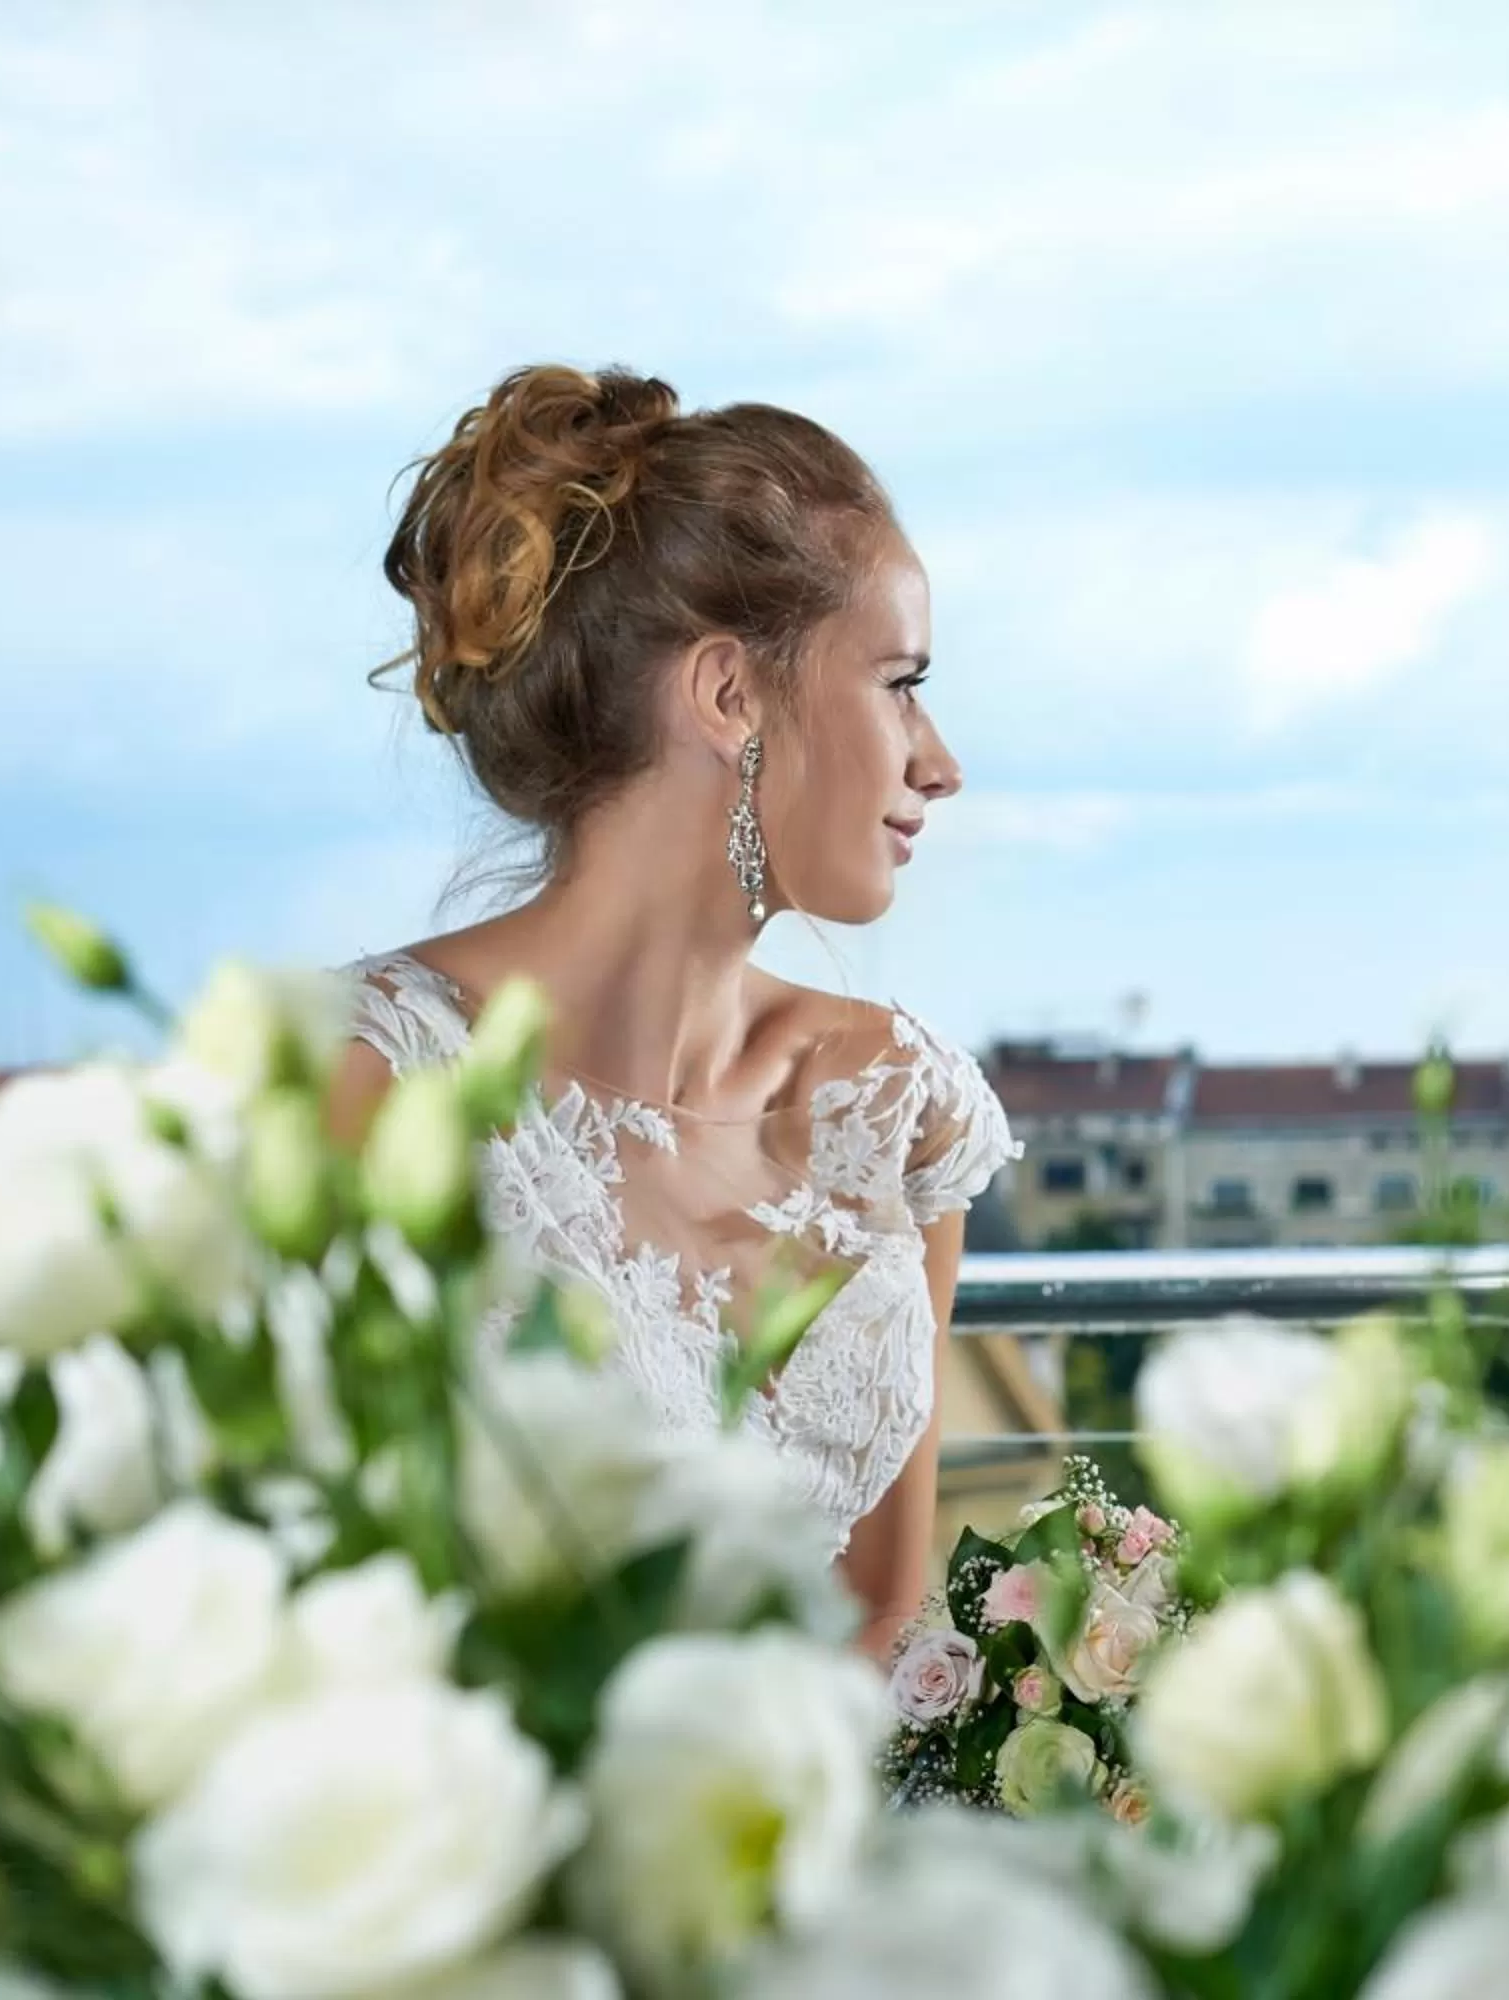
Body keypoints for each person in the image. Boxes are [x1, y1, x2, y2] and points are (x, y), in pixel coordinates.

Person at [328, 363, 1015, 1662]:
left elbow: (880, 1619)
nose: (940, 761)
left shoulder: (896, 1109)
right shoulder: (383, 1086)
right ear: (728, 696)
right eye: (899, 682)